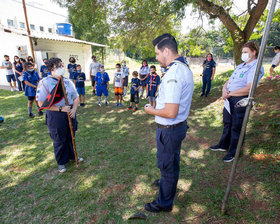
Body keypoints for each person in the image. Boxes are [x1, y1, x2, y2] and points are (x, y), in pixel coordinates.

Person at [144, 33, 194, 213]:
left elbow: (170, 112)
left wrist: (150, 110)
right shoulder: (182, 67)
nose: (156, 58)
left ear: (166, 51)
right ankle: (167, 182)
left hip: (170, 128)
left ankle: (164, 203)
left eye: (157, 54)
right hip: (176, 127)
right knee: (171, 161)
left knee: (167, 164)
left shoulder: (174, 72)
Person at [210, 41, 264, 162]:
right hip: (229, 98)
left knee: (236, 127)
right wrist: (224, 89)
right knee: (227, 123)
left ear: (254, 52)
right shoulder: (241, 66)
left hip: (240, 99)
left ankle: (234, 152)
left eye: (246, 52)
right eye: (242, 52)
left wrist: (230, 94)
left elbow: (249, 88)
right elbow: (229, 81)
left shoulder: (256, 66)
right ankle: (223, 145)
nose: (243, 54)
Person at [36, 57, 83, 173]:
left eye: (61, 66)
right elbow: (41, 103)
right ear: (51, 69)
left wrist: (74, 109)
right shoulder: (44, 83)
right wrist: (60, 108)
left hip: (70, 112)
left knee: (70, 136)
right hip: (55, 115)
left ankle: (73, 156)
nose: (61, 68)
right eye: (57, 67)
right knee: (59, 139)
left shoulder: (67, 81)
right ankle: (61, 162)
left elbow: (76, 97)